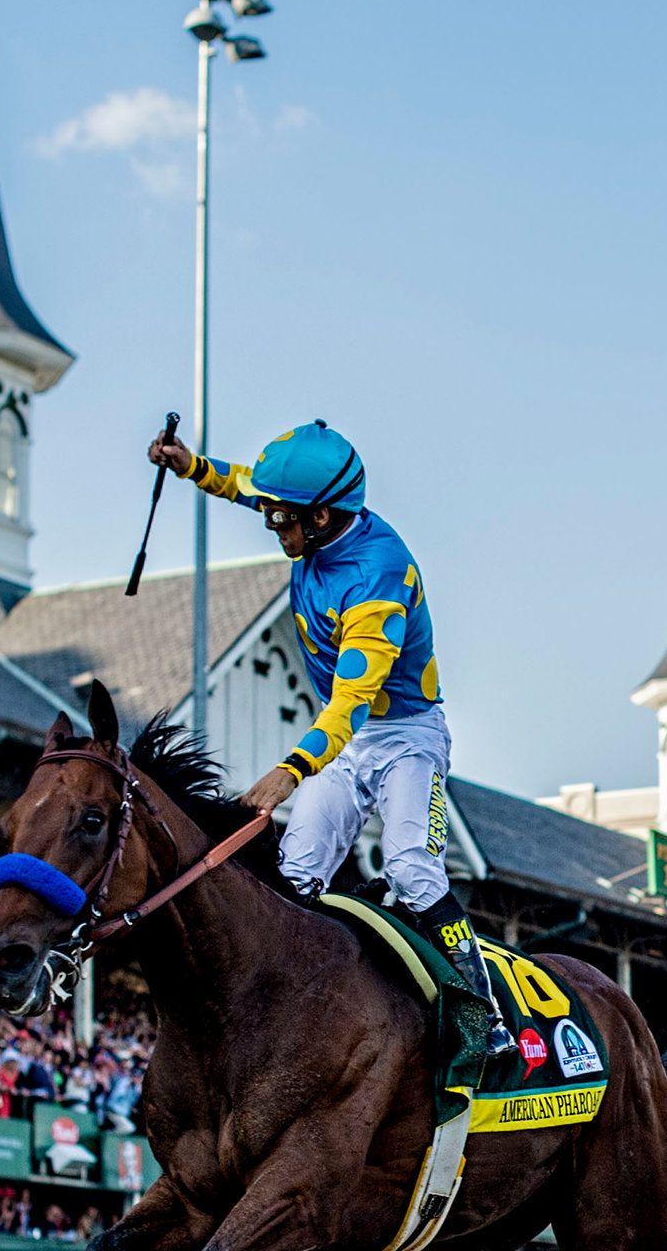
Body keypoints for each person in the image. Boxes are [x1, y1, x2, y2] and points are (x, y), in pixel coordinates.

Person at [147, 420, 514, 1054]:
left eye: (281, 519)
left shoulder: (377, 578)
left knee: (410, 867)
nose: (271, 526)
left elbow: (352, 701)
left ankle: (484, 1016)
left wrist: (290, 770)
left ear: (321, 516)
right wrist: (190, 465)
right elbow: (245, 487)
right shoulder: (315, 523)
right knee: (296, 872)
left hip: (404, 738)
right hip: (344, 738)